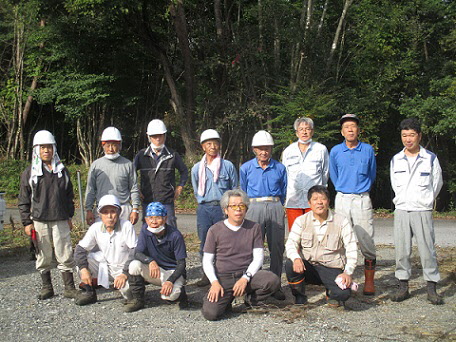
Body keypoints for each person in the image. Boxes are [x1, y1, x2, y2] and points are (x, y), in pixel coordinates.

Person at [201, 189, 281, 321]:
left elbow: (258, 258)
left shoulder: (254, 228)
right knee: (211, 314)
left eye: (241, 205)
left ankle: (252, 301)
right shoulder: (215, 230)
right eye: (233, 206)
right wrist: (214, 282)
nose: (238, 209)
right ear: (226, 210)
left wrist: (245, 278)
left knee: (272, 280)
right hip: (223, 277)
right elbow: (207, 261)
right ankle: (223, 300)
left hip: (247, 275)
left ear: (246, 209)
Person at [18, 130, 78, 300]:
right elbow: (23, 199)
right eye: (43, 147)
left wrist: (69, 217)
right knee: (43, 255)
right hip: (38, 220)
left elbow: (69, 196)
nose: (46, 151)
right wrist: (26, 223)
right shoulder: (29, 173)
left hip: (60, 218)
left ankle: (69, 287)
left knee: (65, 252)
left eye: (49, 147)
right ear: (36, 149)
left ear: (54, 149)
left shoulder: (62, 171)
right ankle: (47, 287)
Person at [389, 118, 444, 305]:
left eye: (412, 135)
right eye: (404, 135)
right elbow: (394, 184)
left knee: (427, 250)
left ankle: (431, 287)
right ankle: (403, 286)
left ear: (419, 136)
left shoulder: (430, 159)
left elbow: (437, 184)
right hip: (402, 209)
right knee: (402, 250)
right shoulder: (396, 159)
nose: (408, 139)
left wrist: (426, 200)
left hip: (422, 209)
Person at [285, 185, 358, 307]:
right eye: (315, 199)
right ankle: (299, 296)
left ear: (328, 201)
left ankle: (331, 292)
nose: (319, 202)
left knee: (343, 294)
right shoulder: (301, 221)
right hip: (309, 267)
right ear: (309, 203)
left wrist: (347, 272)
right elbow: (290, 243)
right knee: (290, 263)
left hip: (332, 267)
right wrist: (296, 258)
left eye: (323, 199)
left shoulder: (341, 221)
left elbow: (352, 248)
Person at [329, 114, 377, 295]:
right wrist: (343, 189)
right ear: (342, 132)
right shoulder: (335, 151)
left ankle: (370, 282)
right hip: (342, 197)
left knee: (366, 239)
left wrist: (361, 190)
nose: (350, 129)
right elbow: (333, 175)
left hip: (361, 198)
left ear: (358, 130)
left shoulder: (367, 150)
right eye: (346, 127)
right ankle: (342, 279)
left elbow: (372, 174)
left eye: (353, 126)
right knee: (341, 239)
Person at [240, 130, 287, 300]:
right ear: (254, 149)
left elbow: (284, 190)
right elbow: (243, 190)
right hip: (254, 205)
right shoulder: (246, 168)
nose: (263, 152)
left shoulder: (280, 168)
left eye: (267, 148)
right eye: (260, 148)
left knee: (277, 246)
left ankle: (276, 285)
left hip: (275, 204)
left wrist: (278, 205)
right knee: (253, 246)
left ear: (271, 149)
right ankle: (254, 283)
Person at [191, 129, 239, 287]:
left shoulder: (228, 166)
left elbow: (234, 189)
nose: (212, 147)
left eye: (215, 143)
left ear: (219, 145)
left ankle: (226, 274)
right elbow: (196, 187)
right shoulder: (197, 168)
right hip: (204, 208)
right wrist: (201, 201)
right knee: (205, 242)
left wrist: (230, 209)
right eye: (208, 144)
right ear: (203, 147)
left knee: (225, 241)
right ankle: (207, 274)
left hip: (222, 209)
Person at [73, 194, 137, 306]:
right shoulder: (95, 228)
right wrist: (84, 270)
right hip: (106, 267)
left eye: (113, 211)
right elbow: (80, 249)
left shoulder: (126, 226)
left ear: (119, 212)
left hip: (123, 269)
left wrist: (124, 274)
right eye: (105, 212)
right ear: (100, 214)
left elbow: (135, 251)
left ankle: (134, 288)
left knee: (130, 294)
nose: (109, 216)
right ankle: (90, 293)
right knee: (82, 263)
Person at [126, 202, 188, 312]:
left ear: (165, 218)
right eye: (150, 218)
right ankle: (137, 299)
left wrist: (170, 281)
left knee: (170, 296)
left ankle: (181, 295)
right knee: (134, 265)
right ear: (145, 219)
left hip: (172, 272)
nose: (153, 221)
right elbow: (138, 253)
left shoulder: (175, 235)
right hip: (156, 270)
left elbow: (181, 264)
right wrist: (150, 261)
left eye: (158, 217)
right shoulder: (145, 230)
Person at [134, 119, 188, 228]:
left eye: (160, 135)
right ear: (149, 137)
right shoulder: (141, 155)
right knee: (148, 230)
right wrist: (136, 189)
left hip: (167, 200)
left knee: (170, 229)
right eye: (154, 136)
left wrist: (180, 186)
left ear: (165, 136)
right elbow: (131, 174)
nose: (158, 139)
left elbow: (184, 171)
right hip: (147, 200)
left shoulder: (173, 155)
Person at [85, 127, 140, 225]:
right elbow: (90, 189)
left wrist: (135, 209)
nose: (111, 149)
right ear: (103, 145)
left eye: (114, 145)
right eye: (108, 145)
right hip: (102, 210)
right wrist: (89, 209)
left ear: (119, 145)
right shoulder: (96, 165)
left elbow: (134, 188)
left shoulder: (127, 164)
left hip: (123, 210)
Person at [282, 117, 329, 231]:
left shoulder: (321, 149)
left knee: (315, 235)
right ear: (296, 132)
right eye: (301, 129)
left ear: (312, 131)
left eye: (307, 129)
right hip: (293, 201)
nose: (304, 132)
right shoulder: (288, 151)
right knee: (295, 236)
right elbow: (284, 175)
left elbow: (325, 174)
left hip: (314, 201)